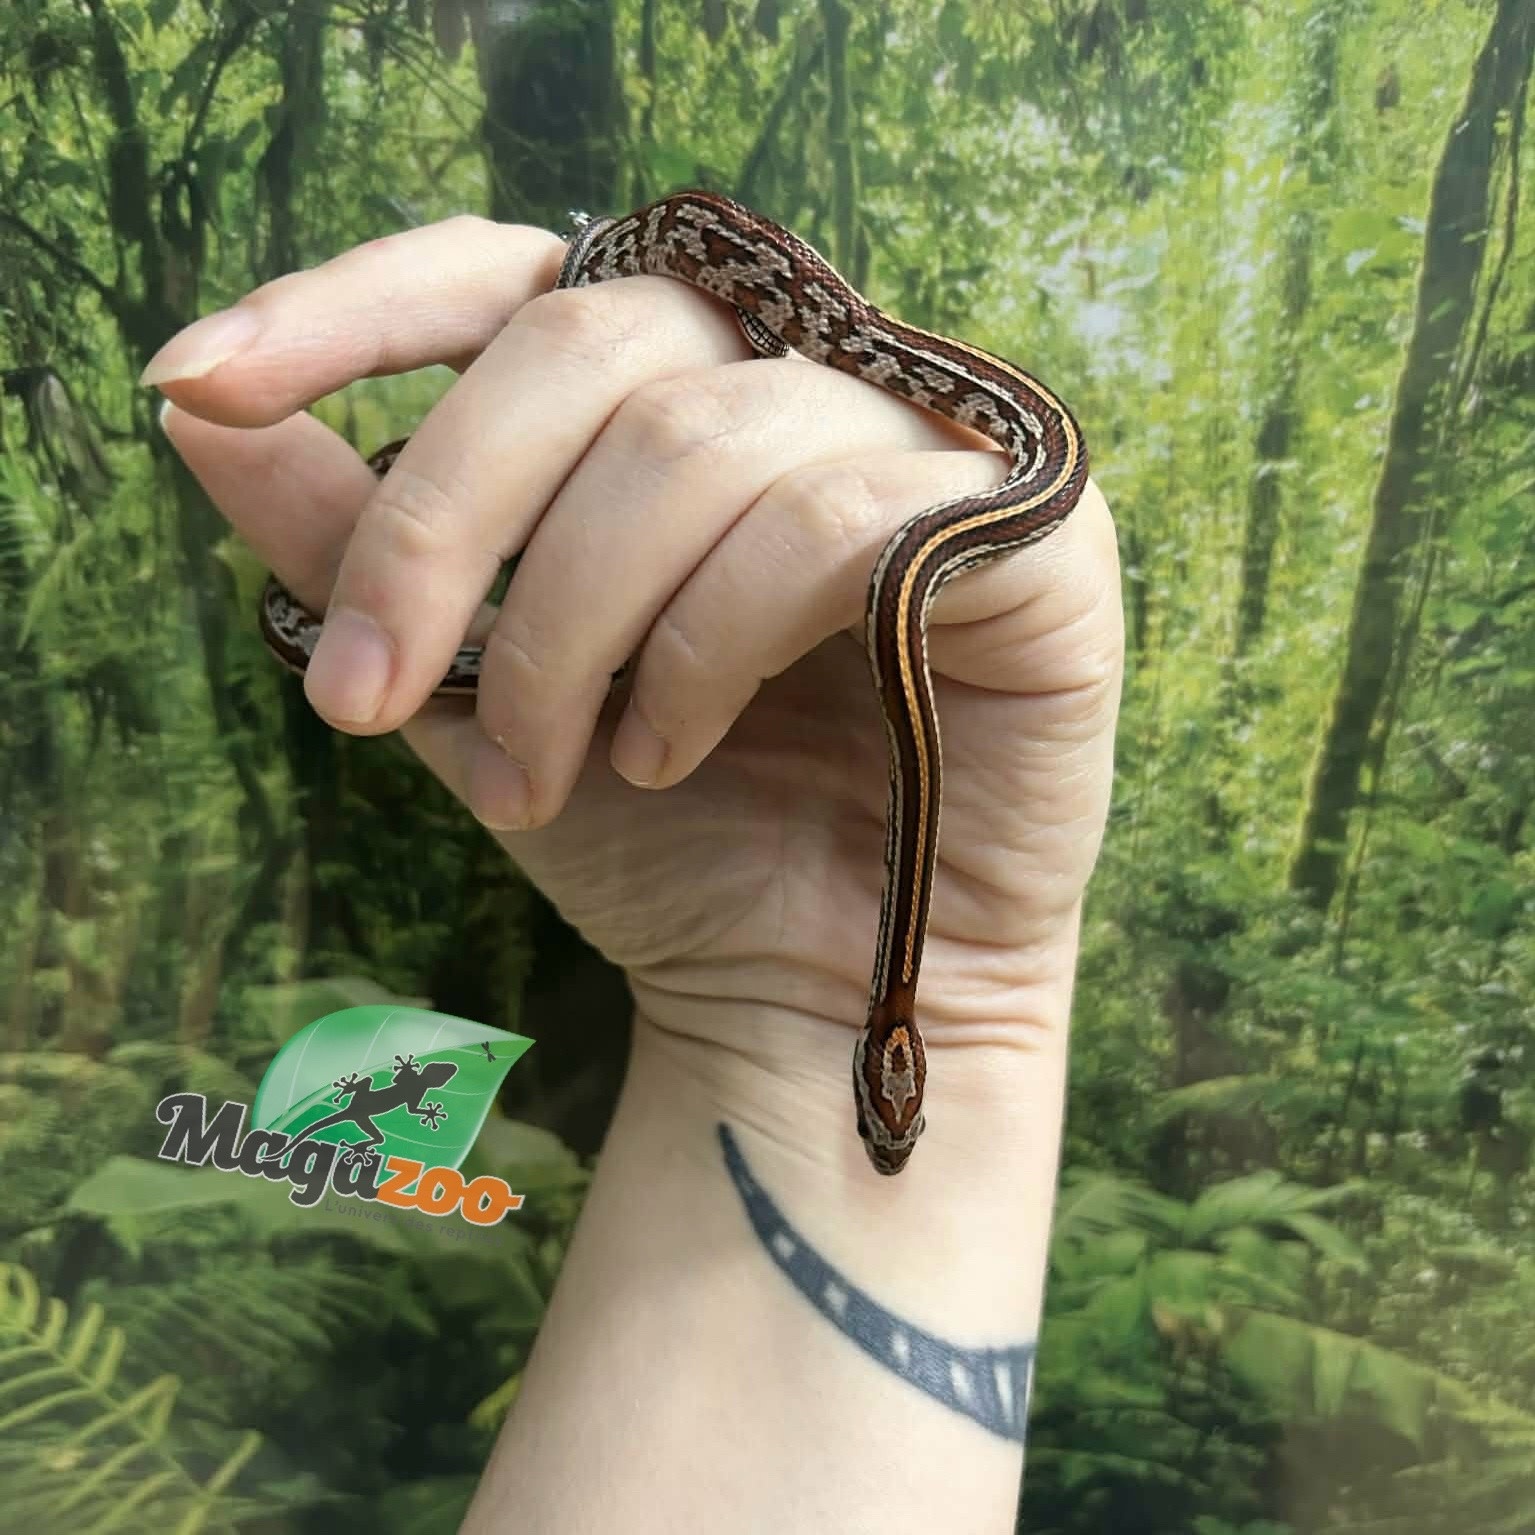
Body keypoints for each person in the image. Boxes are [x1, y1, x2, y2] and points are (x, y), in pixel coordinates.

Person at [142, 208, 1123, 1533]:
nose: (882, 1125)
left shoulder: (890, 985)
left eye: (880, 1116)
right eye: (895, 1115)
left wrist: (889, 1006)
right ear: (896, 1081)